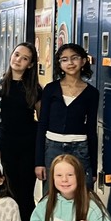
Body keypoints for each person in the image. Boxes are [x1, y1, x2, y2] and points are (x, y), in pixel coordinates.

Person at [0, 42, 42, 221]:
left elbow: (41, 121)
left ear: (30, 64)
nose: (18, 60)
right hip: (7, 145)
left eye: (24, 58)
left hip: (28, 145)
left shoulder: (34, 88)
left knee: (26, 194)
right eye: (16, 54)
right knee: (9, 192)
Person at [35, 43, 99, 190]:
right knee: (50, 195)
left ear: (83, 61)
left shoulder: (91, 93)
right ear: (59, 64)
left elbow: (91, 129)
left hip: (80, 149)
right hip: (52, 147)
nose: (70, 63)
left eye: (74, 58)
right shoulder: (51, 89)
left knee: (81, 196)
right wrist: (39, 162)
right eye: (64, 59)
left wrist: (93, 169)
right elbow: (42, 124)